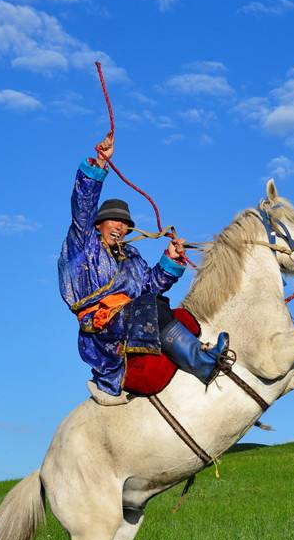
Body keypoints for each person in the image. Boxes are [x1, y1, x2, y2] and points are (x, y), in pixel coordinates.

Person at [58, 134, 229, 396]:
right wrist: (101, 163)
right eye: (114, 221)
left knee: (166, 308)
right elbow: (83, 205)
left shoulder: (132, 256)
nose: (121, 227)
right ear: (98, 223)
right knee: (154, 307)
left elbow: (149, 286)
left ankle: (199, 360)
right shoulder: (83, 244)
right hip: (102, 328)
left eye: (124, 223)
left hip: (131, 317)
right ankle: (203, 363)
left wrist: (170, 259)